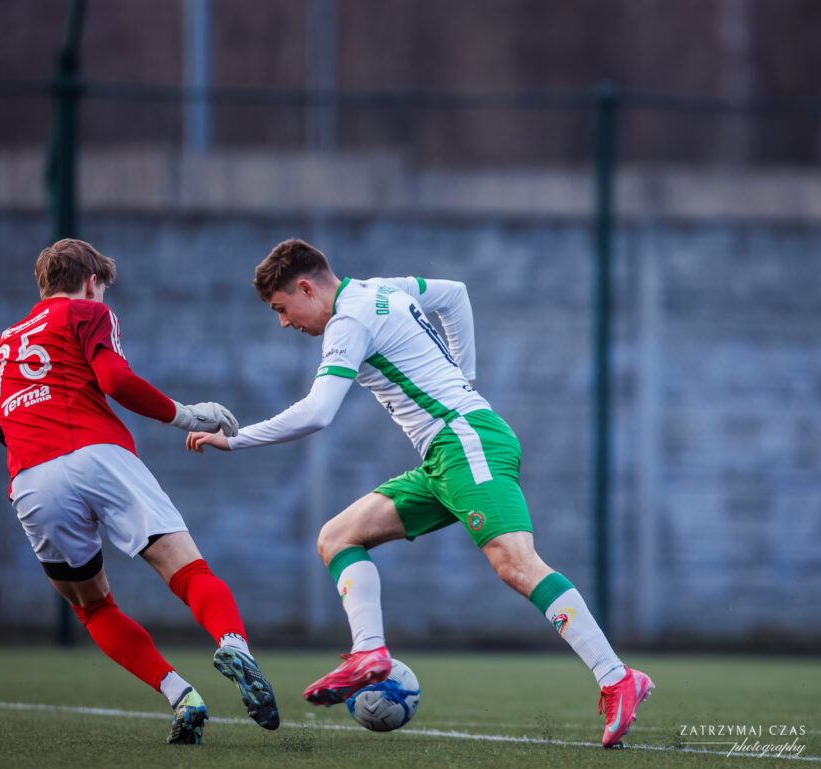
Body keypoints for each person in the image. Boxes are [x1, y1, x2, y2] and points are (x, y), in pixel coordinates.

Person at [187, 238, 653, 748]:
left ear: (305, 288)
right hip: (444, 456)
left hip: (466, 442)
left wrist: (236, 440)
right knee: (337, 537)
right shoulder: (381, 288)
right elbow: (454, 294)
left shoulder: (348, 321)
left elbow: (318, 413)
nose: (284, 322)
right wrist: (464, 377)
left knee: (517, 564)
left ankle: (616, 677)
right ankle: (369, 652)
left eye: (282, 308)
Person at [0, 238, 279, 745]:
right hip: (98, 455)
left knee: (92, 608)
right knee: (188, 572)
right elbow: (116, 380)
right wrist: (187, 415)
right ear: (91, 283)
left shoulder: (2, 345)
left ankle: (181, 695)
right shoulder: (87, 312)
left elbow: (1, 428)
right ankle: (234, 645)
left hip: (31, 478)